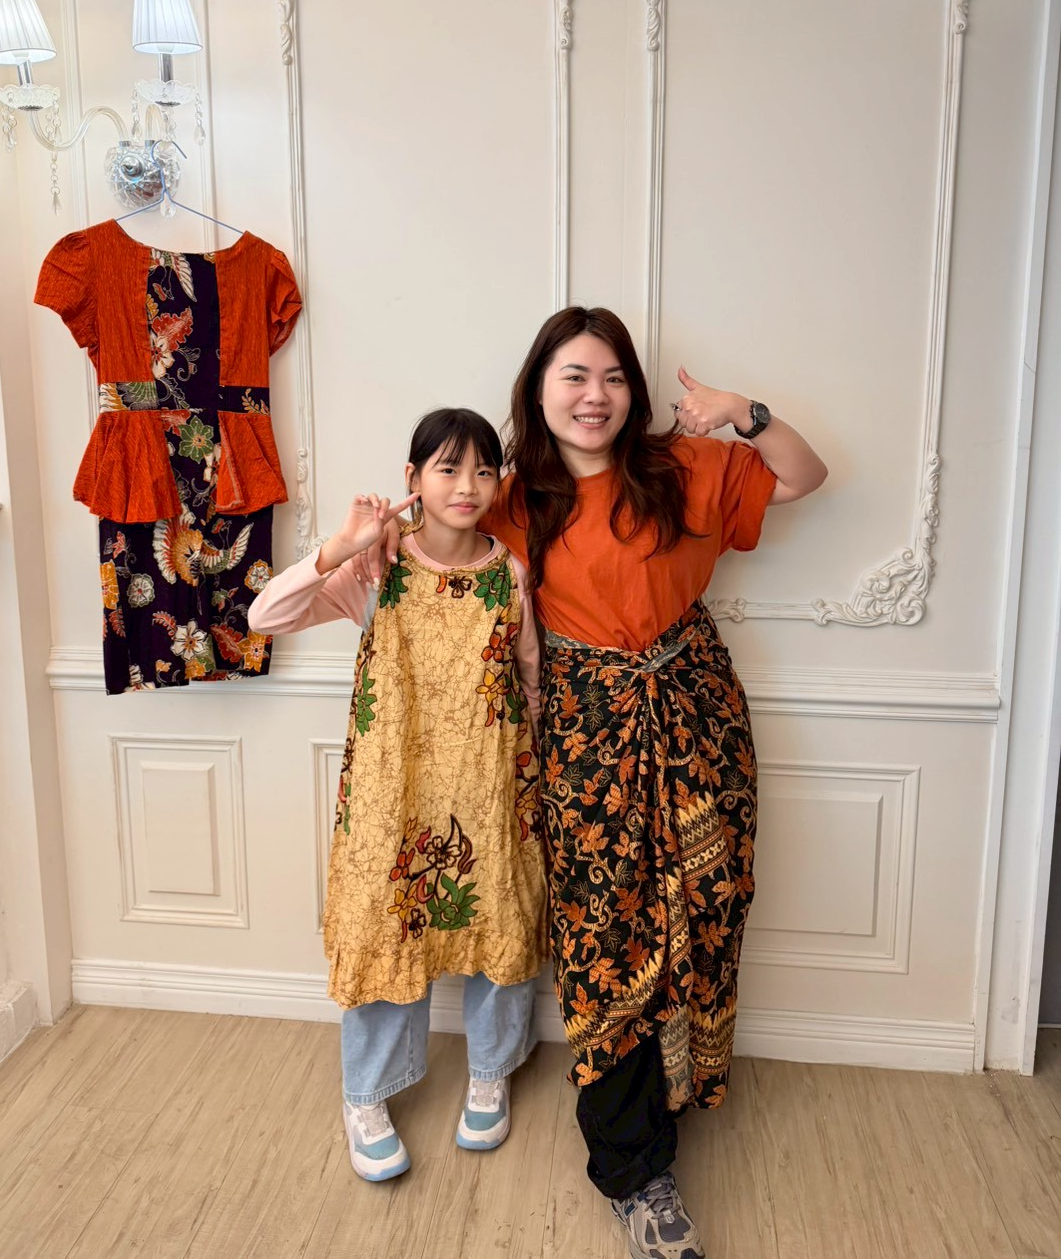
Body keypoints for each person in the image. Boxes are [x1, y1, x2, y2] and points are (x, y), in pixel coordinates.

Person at [358, 309, 827, 1258]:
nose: (594, 395)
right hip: (580, 734)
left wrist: (744, 411)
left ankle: (673, 1095)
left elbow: (803, 474)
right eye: (573, 375)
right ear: (539, 388)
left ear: (634, 391)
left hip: (697, 719)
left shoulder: (682, 466)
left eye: (612, 376)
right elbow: (421, 562)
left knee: (703, 911)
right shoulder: (509, 499)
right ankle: (634, 1171)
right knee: (604, 936)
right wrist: (365, 539)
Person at [248, 408, 547, 1183]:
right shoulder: (376, 567)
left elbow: (530, 678)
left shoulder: (511, 572)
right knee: (385, 926)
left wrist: (536, 776)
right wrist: (341, 546)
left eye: (484, 469)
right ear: (412, 478)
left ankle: (491, 1071)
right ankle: (366, 1096)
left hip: (488, 786)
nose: (468, 485)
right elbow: (264, 615)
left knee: (498, 918)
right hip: (394, 792)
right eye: (448, 468)